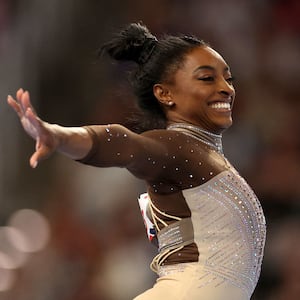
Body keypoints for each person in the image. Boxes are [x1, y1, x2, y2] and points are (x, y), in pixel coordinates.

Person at [7, 22, 266, 300]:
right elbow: (124, 143)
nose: (225, 88)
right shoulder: (176, 146)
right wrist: (58, 136)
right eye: (206, 78)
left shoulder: (204, 162)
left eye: (228, 78)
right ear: (165, 94)